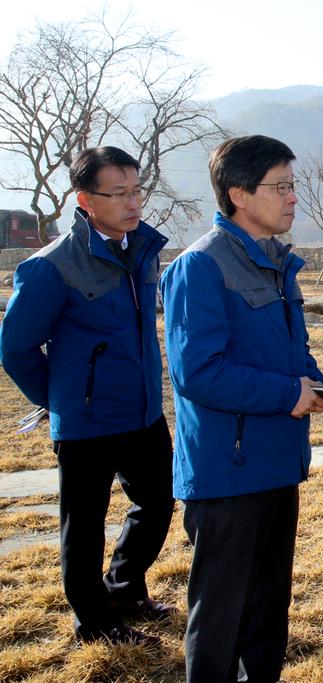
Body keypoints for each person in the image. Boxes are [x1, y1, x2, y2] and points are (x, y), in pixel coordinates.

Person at [160, 135, 323, 682]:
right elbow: (197, 373)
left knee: (267, 609)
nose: (292, 198)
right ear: (238, 194)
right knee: (221, 616)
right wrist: (288, 395)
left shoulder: (277, 263)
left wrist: (314, 382)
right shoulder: (201, 267)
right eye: (280, 187)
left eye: (292, 185)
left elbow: (289, 349)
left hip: (277, 462)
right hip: (226, 472)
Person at [0, 147, 174, 645]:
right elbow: (15, 348)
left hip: (142, 411)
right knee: (84, 528)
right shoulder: (52, 266)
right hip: (85, 423)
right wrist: (62, 399)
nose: (132, 202)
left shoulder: (139, 248)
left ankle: (123, 589)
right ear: (86, 199)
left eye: (137, 190)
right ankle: (94, 623)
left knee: (158, 503)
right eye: (118, 193)